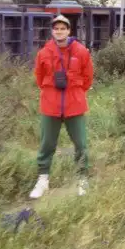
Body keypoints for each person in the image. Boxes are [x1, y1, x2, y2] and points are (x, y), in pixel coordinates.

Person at [29, 14, 94, 199]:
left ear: (69, 31)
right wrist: (52, 94)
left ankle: (82, 178)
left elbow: (88, 77)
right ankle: (43, 180)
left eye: (62, 28)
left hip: (75, 106)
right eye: (56, 29)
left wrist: (76, 92)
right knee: (47, 144)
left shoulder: (81, 51)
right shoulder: (44, 53)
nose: (59, 31)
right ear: (52, 31)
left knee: (80, 144)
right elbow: (39, 78)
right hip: (50, 105)